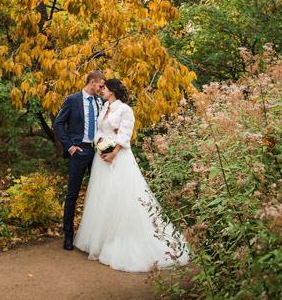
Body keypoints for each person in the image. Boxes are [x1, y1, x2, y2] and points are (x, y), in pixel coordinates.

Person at [74, 78, 190, 272]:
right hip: (102, 156)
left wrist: (113, 151)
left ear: (112, 91)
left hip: (119, 158)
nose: (102, 91)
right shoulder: (104, 108)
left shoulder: (125, 110)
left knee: (119, 196)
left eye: (105, 88)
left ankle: (124, 240)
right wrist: (101, 143)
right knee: (102, 197)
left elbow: (125, 134)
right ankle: (102, 240)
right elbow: (98, 130)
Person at [52, 70, 106, 251]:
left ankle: (93, 237)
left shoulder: (101, 101)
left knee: (97, 194)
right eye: (100, 86)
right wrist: (70, 147)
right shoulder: (72, 100)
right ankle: (68, 235)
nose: (101, 89)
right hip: (79, 151)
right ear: (92, 82)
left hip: (97, 153)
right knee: (72, 195)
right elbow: (58, 124)